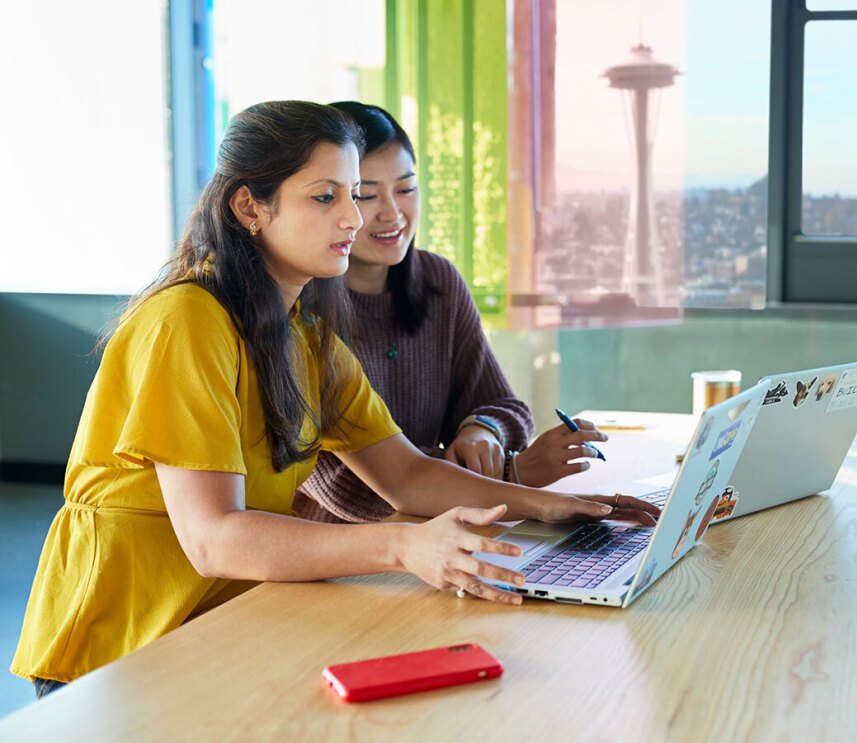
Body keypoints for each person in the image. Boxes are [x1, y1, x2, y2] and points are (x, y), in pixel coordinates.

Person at [11, 101, 659, 698]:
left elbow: (404, 473)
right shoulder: (187, 318)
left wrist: (557, 506)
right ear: (249, 208)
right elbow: (214, 538)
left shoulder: (304, 333)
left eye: (353, 194)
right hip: (121, 648)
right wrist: (403, 548)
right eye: (326, 197)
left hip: (225, 622)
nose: (355, 217)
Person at [293, 102, 608, 524]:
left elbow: (504, 405)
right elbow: (348, 489)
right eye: (365, 195)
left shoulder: (437, 281)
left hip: (438, 536)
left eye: (406, 189)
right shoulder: (297, 306)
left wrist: (483, 430)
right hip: (338, 561)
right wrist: (514, 473)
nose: (392, 213)